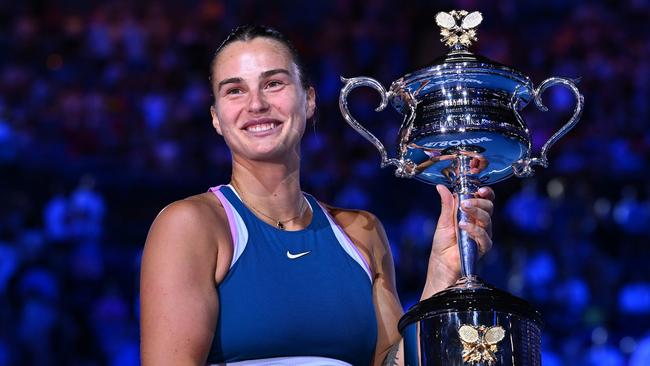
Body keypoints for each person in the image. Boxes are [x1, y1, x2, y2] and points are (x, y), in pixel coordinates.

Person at [139, 25, 495, 366]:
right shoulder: (190, 226)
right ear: (216, 118)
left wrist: (439, 277)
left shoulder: (362, 233)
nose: (256, 104)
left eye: (274, 83)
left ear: (308, 99)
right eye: (235, 90)